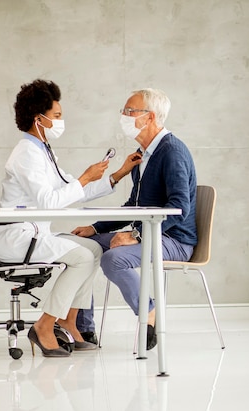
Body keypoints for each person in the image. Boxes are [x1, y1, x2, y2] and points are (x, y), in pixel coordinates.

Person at [0, 79, 142, 357]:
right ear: (39, 119)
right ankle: (45, 325)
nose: (61, 121)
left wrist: (117, 174)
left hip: (31, 234)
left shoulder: (43, 151)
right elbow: (50, 203)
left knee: (93, 248)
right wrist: (83, 178)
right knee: (81, 257)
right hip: (13, 238)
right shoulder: (26, 155)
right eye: (57, 116)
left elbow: (72, 192)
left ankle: (69, 320)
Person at [72, 88, 197, 350]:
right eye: (124, 110)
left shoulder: (171, 152)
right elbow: (133, 206)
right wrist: (94, 229)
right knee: (80, 247)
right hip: (152, 234)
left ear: (150, 117)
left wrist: (136, 235)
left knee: (113, 259)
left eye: (130, 111)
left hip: (175, 239)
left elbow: (180, 207)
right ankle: (83, 329)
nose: (124, 115)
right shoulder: (144, 155)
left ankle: (150, 314)